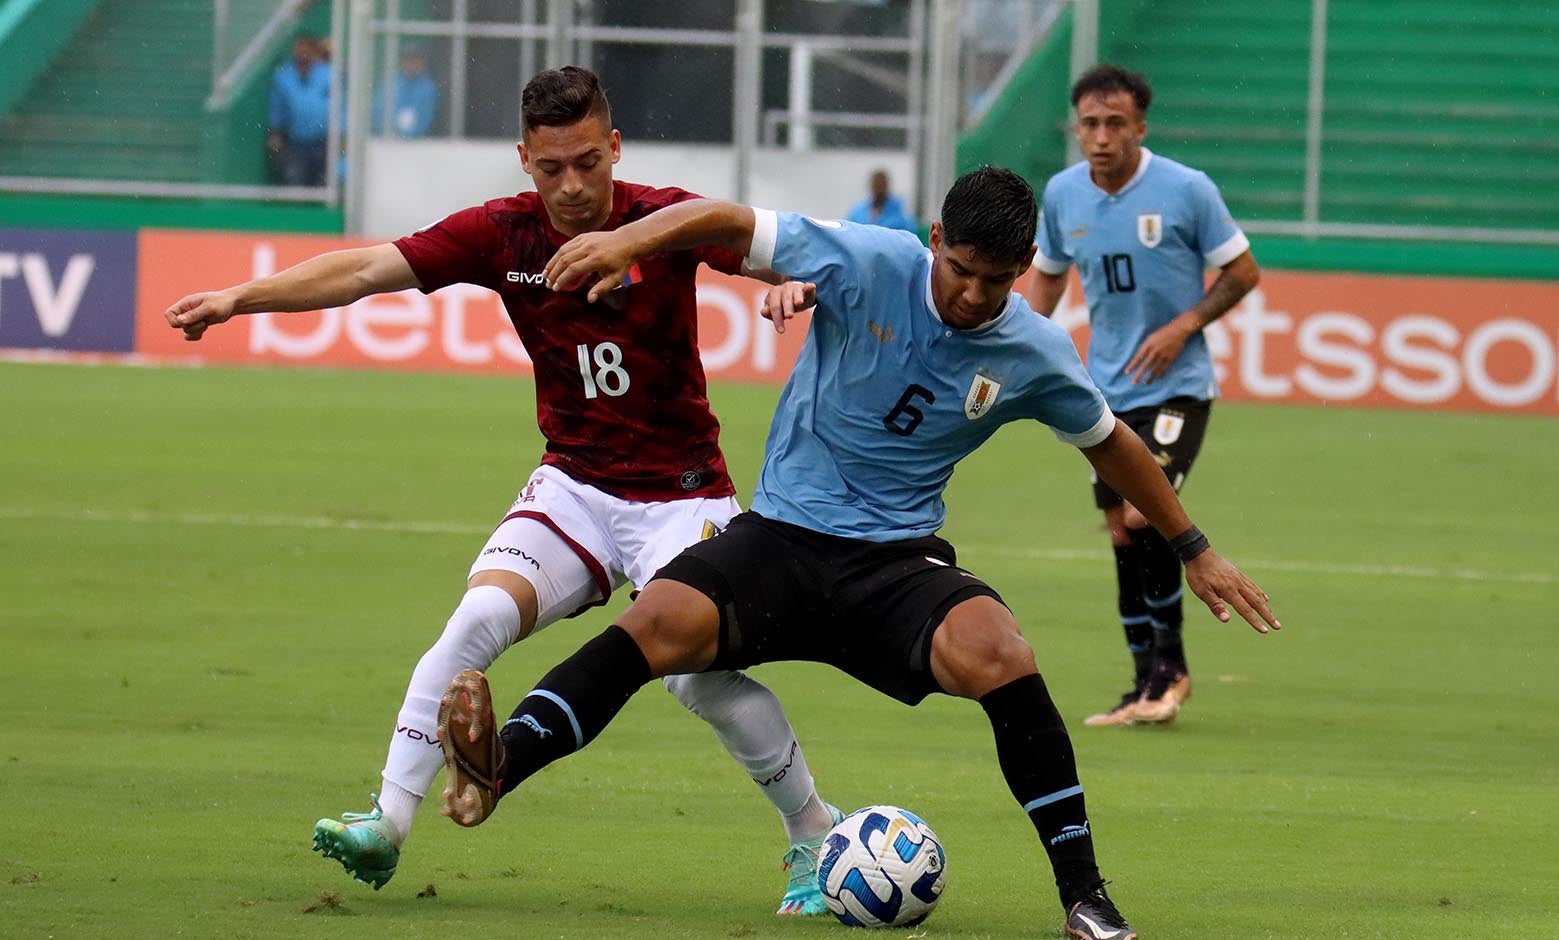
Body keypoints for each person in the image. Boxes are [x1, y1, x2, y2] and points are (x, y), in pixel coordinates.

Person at [435, 166, 1280, 940]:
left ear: (1024, 265)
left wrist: (1193, 548)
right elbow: (726, 218)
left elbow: (1111, 443)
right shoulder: (869, 259)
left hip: (896, 565)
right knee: (658, 621)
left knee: (1001, 651)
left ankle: (1085, 898)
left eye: (997, 280)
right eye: (960, 270)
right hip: (780, 541)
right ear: (936, 241)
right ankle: (498, 768)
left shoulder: (1033, 351)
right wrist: (626, 239)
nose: (972, 295)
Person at [166, 65, 843, 915]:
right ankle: (386, 821)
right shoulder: (502, 235)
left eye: (588, 163)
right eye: (551, 167)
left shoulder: (662, 219)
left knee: (695, 680)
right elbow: (366, 270)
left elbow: (772, 251)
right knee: (477, 619)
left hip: (684, 497)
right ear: (524, 158)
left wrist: (787, 285)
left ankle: (814, 833)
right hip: (574, 487)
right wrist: (237, 297)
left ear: (615, 148)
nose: (571, 186)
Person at [1026, 64, 1261, 728]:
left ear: (1139, 128)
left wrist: (1182, 326)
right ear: (1076, 129)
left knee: (1139, 515)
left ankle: (1173, 670)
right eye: (1089, 125)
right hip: (1103, 392)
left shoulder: (1185, 189)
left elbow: (1242, 272)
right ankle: (1141, 686)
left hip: (1177, 388)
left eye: (1114, 124)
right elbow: (1045, 281)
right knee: (1120, 534)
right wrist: (1022, 346)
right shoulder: (1064, 194)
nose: (1100, 138)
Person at [267, 34, 333, 186]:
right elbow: (277, 107)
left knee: (323, 185)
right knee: (295, 182)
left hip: (324, 140)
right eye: (299, 47)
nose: (303, 52)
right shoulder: (284, 75)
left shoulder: (328, 73)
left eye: (307, 47)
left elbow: (342, 104)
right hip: (296, 141)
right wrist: (275, 134)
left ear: (314, 49)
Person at [373, 46, 438, 139]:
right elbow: (378, 110)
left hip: (418, 143)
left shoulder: (428, 88)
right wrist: (389, 132)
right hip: (389, 140)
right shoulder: (391, 83)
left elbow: (426, 117)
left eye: (414, 60)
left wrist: (409, 135)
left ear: (422, 62)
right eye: (407, 60)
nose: (411, 64)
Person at [846, 168, 918, 232]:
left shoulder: (899, 213)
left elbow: (910, 233)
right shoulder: (859, 212)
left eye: (881, 184)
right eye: (876, 184)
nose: (879, 189)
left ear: (887, 186)